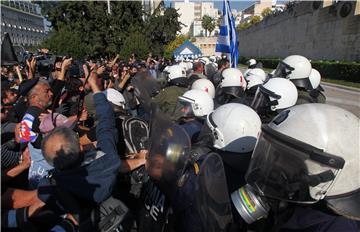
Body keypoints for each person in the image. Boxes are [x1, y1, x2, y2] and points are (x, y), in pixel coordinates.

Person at [231, 104, 359, 231]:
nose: (276, 165)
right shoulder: (294, 200)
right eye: (275, 155)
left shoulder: (335, 227)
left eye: (289, 160)